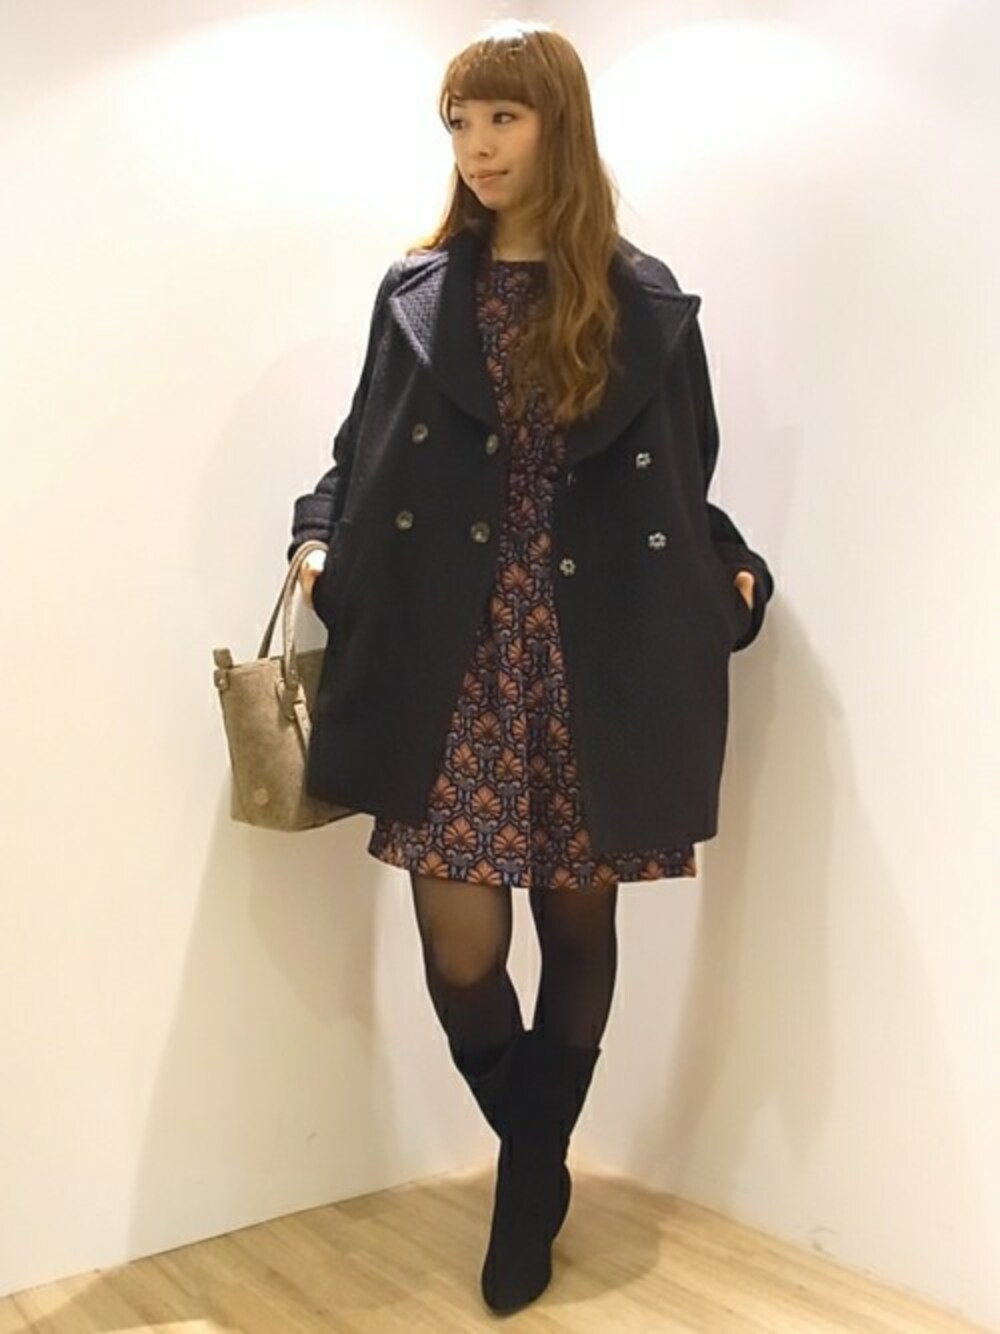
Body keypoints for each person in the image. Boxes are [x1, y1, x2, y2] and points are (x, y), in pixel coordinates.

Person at [287, 18, 774, 1315]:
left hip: (590, 655)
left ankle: (521, 1195)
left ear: (560, 123)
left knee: (576, 920)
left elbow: (686, 478)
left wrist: (730, 574)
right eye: (460, 122)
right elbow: (357, 450)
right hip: (449, 658)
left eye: (503, 117)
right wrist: (317, 539)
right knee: (461, 949)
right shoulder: (419, 291)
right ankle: (541, 1156)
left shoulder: (639, 300)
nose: (478, 146)